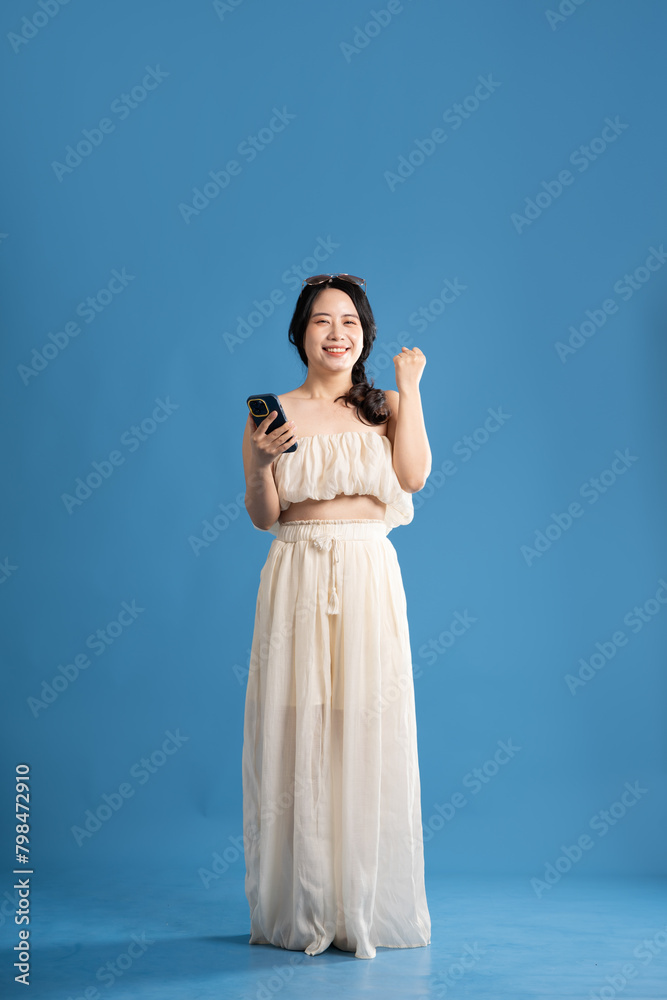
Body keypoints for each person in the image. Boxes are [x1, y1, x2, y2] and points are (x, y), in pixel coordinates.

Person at [241, 273, 432, 960]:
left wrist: (410, 393)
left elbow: (411, 476)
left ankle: (362, 906)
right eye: (322, 321)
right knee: (298, 725)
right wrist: (263, 466)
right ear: (299, 334)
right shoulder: (273, 414)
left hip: (365, 572)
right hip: (295, 569)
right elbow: (264, 515)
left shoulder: (382, 407)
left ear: (365, 335)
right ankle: (305, 903)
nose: (336, 333)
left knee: (364, 722)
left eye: (348, 322)